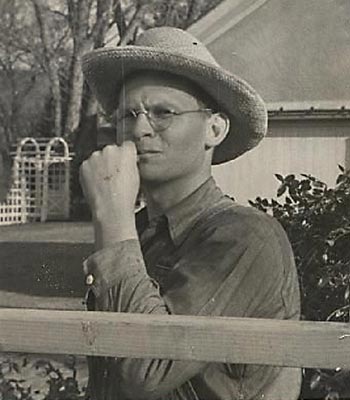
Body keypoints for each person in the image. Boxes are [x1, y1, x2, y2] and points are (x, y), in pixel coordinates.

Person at [80, 27, 301, 400]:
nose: (139, 129)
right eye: (127, 115)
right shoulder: (138, 235)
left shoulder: (245, 236)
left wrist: (112, 219)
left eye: (162, 113)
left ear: (214, 129)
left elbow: (145, 373)